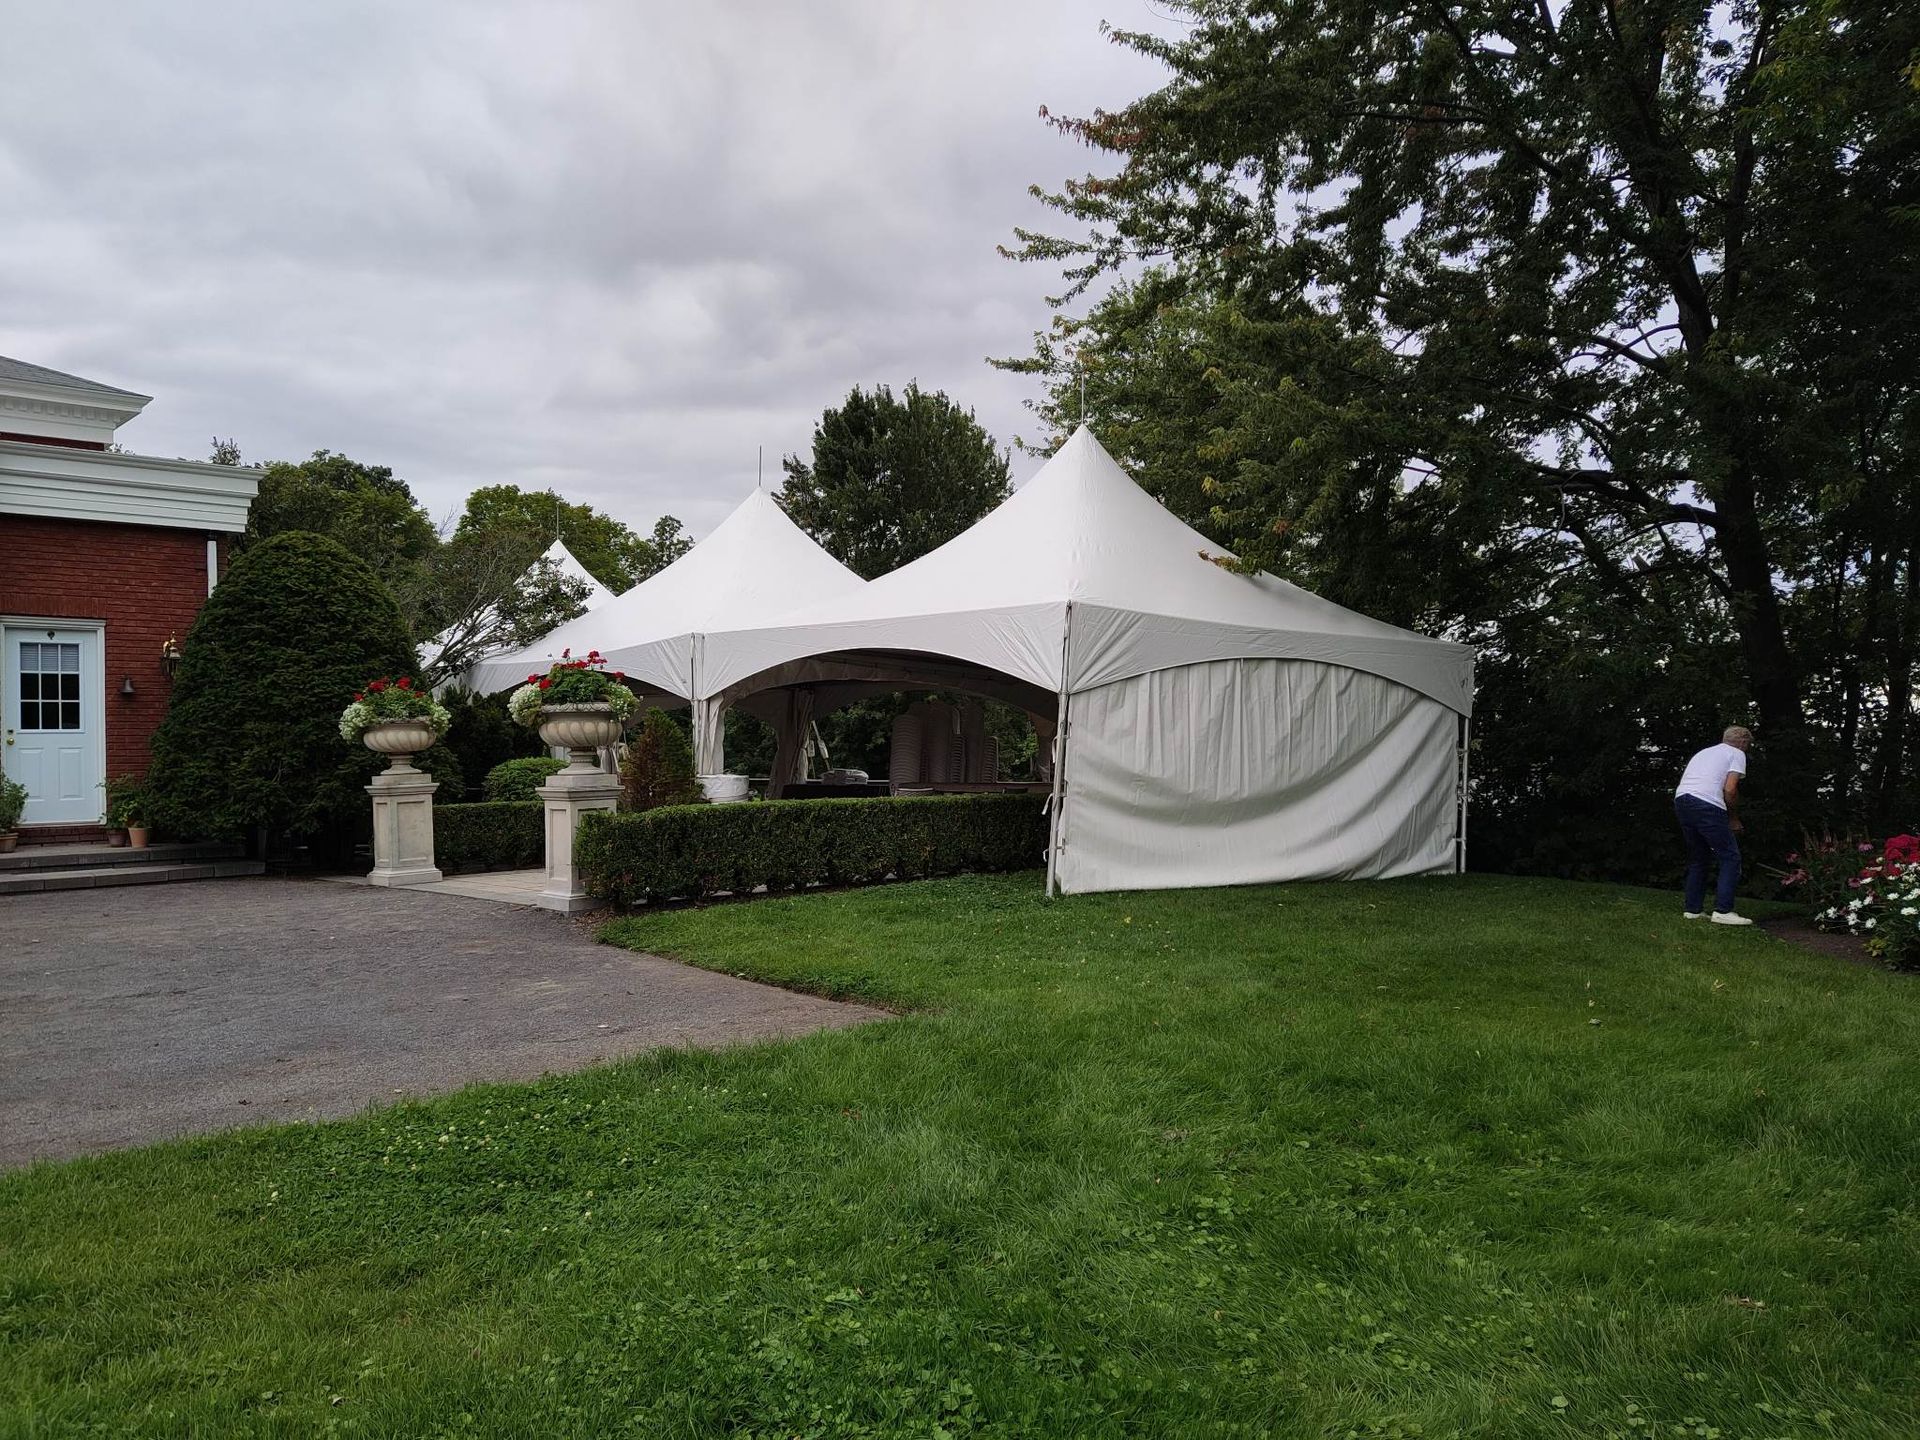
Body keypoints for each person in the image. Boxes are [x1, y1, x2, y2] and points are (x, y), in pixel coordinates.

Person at [1673, 726, 1754, 925]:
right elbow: (1730, 789)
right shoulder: (1737, 753)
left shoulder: (1705, 752)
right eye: (1749, 744)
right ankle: (1723, 911)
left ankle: (1692, 910)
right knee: (1730, 856)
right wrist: (1733, 819)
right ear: (1743, 742)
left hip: (1682, 800)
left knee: (1699, 857)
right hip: (1707, 804)